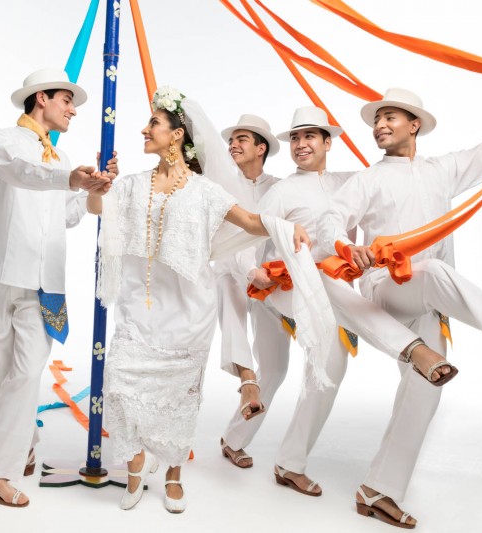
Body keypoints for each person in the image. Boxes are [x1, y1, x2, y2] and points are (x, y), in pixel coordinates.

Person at [88, 87, 314, 514]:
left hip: (188, 312)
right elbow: (98, 208)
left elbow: (249, 221)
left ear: (176, 135)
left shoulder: (205, 191)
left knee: (178, 399)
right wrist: (98, 186)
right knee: (119, 384)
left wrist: (286, 230)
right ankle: (137, 463)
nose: (144, 129)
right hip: (139, 308)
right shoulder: (134, 184)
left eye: (153, 123)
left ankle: (173, 474)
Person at [318, 88, 482, 528]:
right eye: (377, 120)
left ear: (414, 125)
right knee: (429, 269)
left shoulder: (441, 170)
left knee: (424, 394)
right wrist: (345, 244)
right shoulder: (368, 179)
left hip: (430, 305)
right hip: (386, 291)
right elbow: (331, 216)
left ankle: (378, 490)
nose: (380, 126)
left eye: (390, 117)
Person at [249, 106, 454, 499]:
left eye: (310, 136)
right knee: (330, 290)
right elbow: (249, 233)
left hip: (338, 288)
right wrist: (250, 270)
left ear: (329, 142)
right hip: (292, 285)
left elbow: (385, 196)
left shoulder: (351, 180)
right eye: (294, 138)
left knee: (329, 371)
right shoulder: (283, 190)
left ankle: (289, 464)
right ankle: (414, 350)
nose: (301, 144)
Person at [0, 67, 116, 507]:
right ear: (41, 99)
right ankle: (25, 439)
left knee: (27, 374)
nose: (73, 109)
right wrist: (71, 178)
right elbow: (22, 173)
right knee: (1, 378)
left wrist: (96, 189)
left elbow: (71, 215)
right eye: (67, 100)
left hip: (47, 283)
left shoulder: (65, 159)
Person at [214, 113, 291, 470]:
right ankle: (247, 379)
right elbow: (231, 241)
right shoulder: (220, 183)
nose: (234, 144)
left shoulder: (280, 187)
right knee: (228, 285)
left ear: (261, 148)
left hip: (270, 283)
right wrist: (250, 270)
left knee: (276, 367)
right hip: (231, 270)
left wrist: (270, 274)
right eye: (232, 139)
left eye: (242, 139)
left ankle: (234, 439)